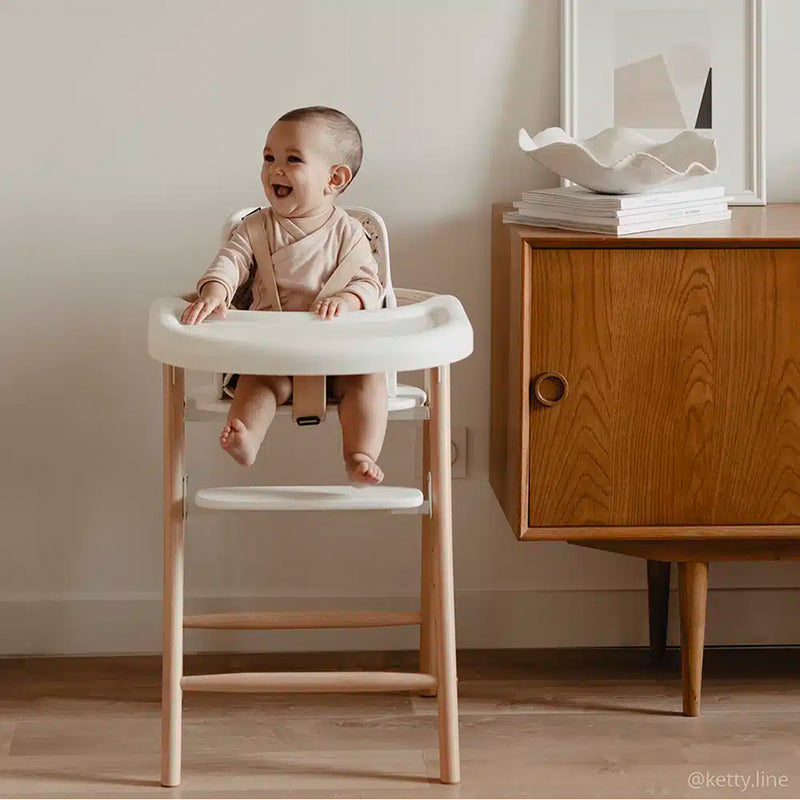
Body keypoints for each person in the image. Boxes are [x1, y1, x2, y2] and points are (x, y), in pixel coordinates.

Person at [180, 107, 387, 485]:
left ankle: (359, 453)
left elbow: (369, 283)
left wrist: (348, 300)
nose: (275, 168)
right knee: (255, 383)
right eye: (268, 157)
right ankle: (247, 437)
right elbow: (231, 261)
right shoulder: (255, 228)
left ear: (334, 178)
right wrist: (215, 290)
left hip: (338, 354)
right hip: (272, 353)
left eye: (292, 159)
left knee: (367, 382)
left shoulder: (351, 233)